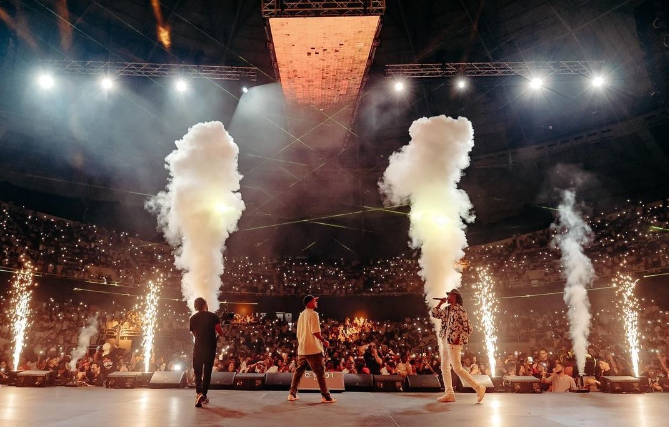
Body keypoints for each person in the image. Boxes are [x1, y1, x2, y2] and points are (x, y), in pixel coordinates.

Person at [431, 289, 486, 403]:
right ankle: (449, 393)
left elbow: (469, 328)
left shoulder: (461, 311)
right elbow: (434, 313)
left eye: (449, 294)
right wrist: (440, 303)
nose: (447, 296)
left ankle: (478, 387)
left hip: (454, 343)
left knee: (457, 368)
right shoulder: (446, 309)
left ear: (455, 296)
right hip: (445, 341)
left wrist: (459, 339)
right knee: (444, 367)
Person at [287, 295, 337, 403]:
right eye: (315, 301)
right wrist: (324, 341)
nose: (316, 303)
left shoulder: (301, 315)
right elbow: (315, 332)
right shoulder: (314, 314)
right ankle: (326, 397)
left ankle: (292, 394)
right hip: (313, 348)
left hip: (302, 348)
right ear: (309, 303)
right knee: (320, 373)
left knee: (298, 371)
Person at [189, 297, 224, 408]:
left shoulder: (193, 318)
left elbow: (194, 334)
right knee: (207, 371)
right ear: (205, 305)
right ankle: (204, 394)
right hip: (210, 348)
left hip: (198, 348)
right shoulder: (213, 316)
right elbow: (220, 332)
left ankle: (198, 393)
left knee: (198, 372)